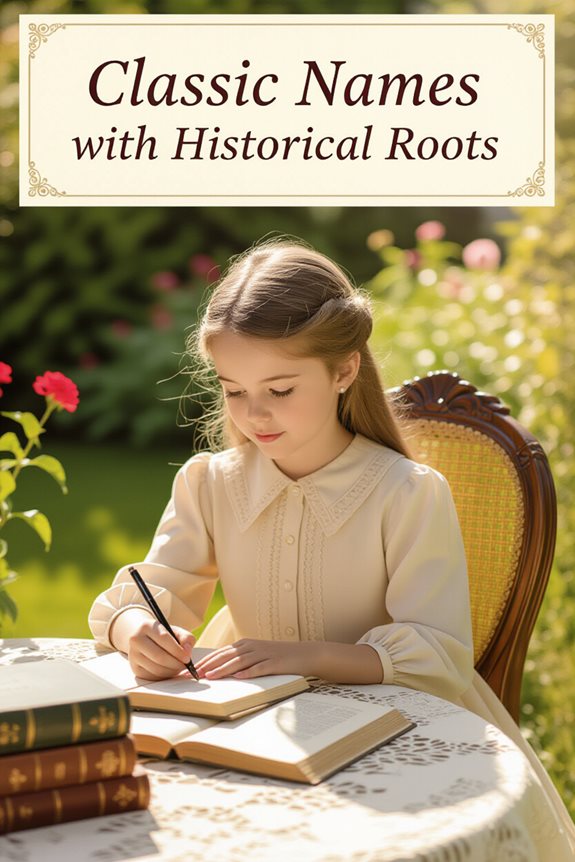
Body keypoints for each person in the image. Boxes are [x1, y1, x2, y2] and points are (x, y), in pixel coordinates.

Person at [89, 239, 575, 853]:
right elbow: (145, 595)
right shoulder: (208, 483)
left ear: (344, 370)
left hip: (397, 734)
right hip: (248, 734)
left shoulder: (407, 493)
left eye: (281, 390)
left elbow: (434, 655)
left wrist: (303, 656)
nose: (253, 414)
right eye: (234, 390)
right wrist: (138, 629)